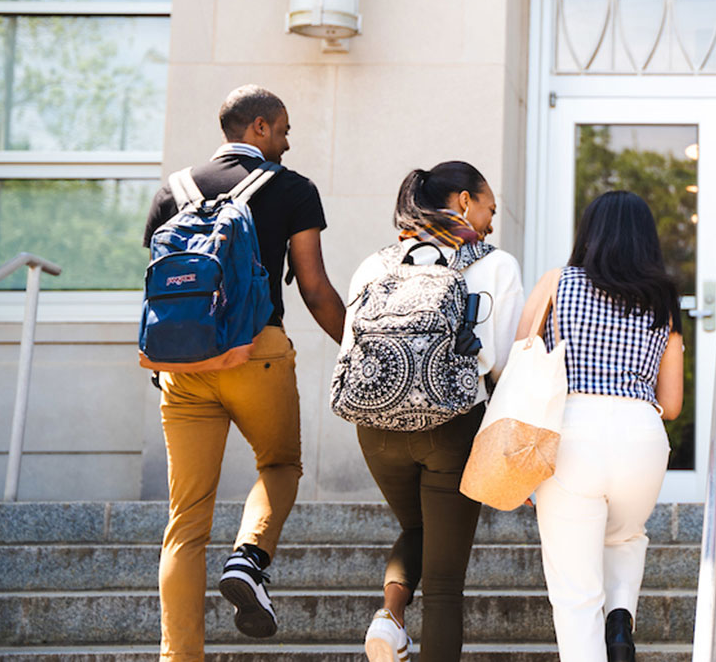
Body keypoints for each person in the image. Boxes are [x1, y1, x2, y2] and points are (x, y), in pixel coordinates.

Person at [141, 84, 346, 661]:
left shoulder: (171, 191)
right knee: (279, 463)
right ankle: (249, 558)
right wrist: (359, 347)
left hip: (182, 367)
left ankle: (178, 656)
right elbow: (313, 289)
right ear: (257, 127)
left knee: (185, 521)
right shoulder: (293, 189)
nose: (287, 139)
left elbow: (160, 291)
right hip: (257, 352)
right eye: (282, 128)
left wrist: (164, 369)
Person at [345, 161, 525, 662]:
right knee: (445, 583)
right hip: (452, 424)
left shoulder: (376, 264)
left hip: (375, 424)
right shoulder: (496, 265)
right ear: (465, 201)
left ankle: (390, 617)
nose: (491, 221)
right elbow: (504, 368)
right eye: (490, 208)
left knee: (418, 527)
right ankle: (395, 624)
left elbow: (348, 349)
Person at [521, 190, 685, 662]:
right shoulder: (664, 299)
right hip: (640, 433)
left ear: (588, 233)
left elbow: (519, 364)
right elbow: (670, 403)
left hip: (570, 431)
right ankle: (620, 619)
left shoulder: (557, 283)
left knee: (575, 594)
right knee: (625, 536)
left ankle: (604, 628)